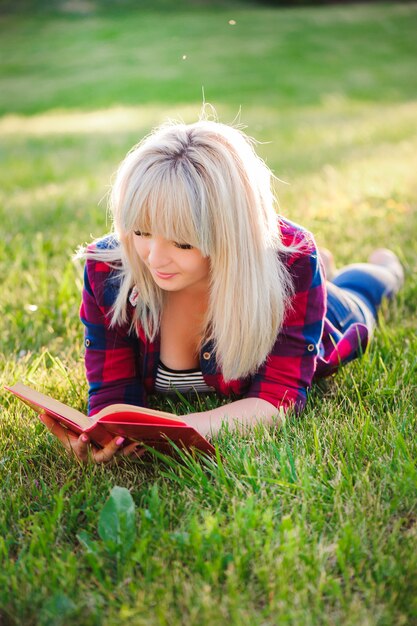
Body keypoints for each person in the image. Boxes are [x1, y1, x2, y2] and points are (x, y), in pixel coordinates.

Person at [40, 118, 404, 463]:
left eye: (182, 243)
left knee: (364, 288)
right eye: (141, 231)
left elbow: (277, 400)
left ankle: (378, 267)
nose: (154, 258)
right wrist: (101, 434)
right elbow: (112, 394)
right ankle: (325, 268)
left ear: (229, 234)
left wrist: (177, 432)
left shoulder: (289, 263)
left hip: (316, 305)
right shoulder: (109, 266)